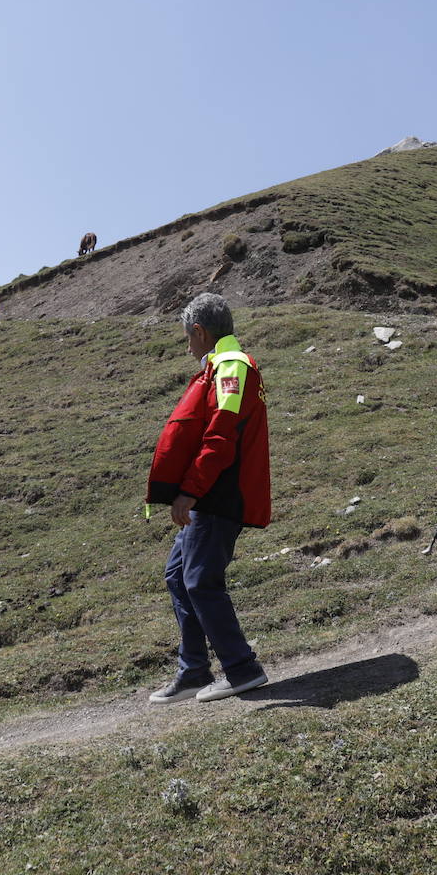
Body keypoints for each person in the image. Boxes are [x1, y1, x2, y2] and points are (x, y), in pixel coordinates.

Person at [146, 292, 271, 703]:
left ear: (200, 331)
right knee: (178, 575)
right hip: (210, 494)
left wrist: (188, 492)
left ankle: (241, 668)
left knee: (199, 581)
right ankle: (194, 671)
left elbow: (220, 438)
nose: (186, 346)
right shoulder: (220, 367)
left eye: (187, 337)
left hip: (218, 493)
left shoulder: (231, 367)